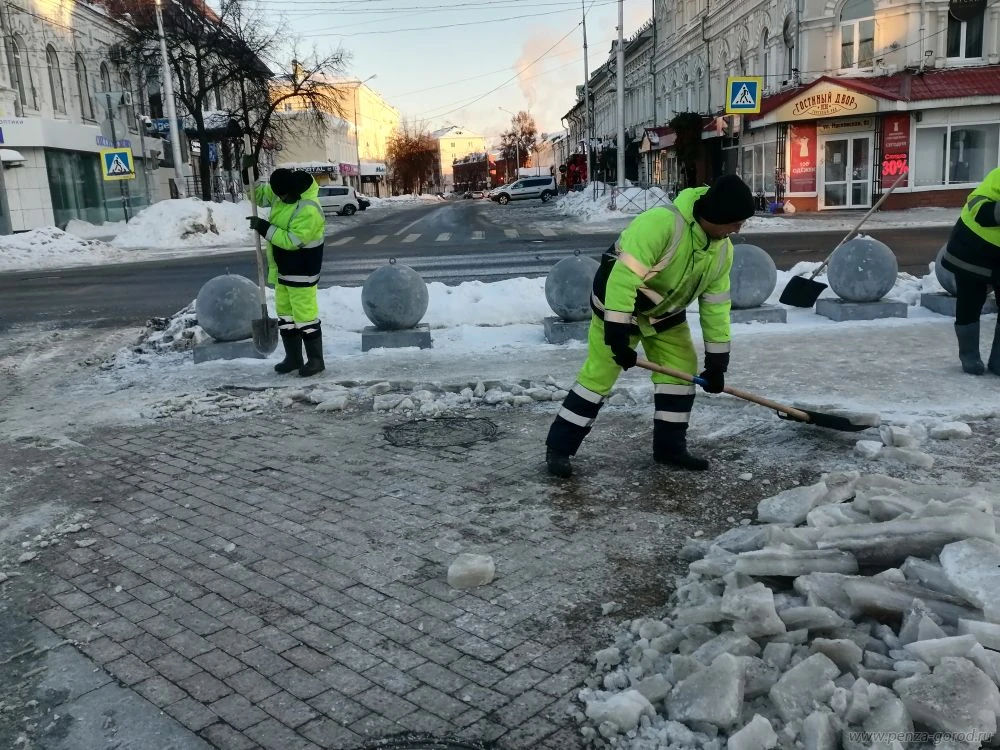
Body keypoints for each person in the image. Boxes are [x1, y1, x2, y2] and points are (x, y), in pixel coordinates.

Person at [545, 174, 756, 478]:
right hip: (618, 309)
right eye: (736, 221)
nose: (739, 228)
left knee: (682, 368)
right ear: (718, 215)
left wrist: (717, 363)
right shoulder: (661, 224)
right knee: (599, 375)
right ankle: (559, 449)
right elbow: (623, 279)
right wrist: (617, 336)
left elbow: (716, 307)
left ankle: (670, 447)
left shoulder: (722, 250)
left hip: (664, 315)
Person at [249, 169, 326, 377]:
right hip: (283, 270)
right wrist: (252, 176)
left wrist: (264, 228)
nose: (281, 199)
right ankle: (293, 358)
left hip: (302, 271)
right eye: (279, 195)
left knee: (305, 317)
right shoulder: (284, 192)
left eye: (283, 195)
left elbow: (292, 241)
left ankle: (316, 360)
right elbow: (259, 195)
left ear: (294, 191)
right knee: (286, 316)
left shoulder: (309, 209)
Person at [941, 166, 1000, 375]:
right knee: (970, 301)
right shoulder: (998, 176)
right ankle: (969, 356)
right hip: (973, 247)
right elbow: (976, 205)